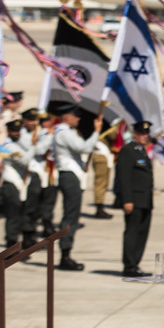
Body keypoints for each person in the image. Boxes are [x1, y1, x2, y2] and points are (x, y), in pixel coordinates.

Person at [51, 104, 103, 271]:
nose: (78, 119)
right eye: (75, 116)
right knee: (70, 216)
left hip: (71, 175)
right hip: (69, 176)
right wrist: (96, 131)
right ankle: (65, 254)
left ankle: (66, 252)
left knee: (72, 215)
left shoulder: (65, 131)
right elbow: (84, 148)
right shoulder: (65, 132)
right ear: (67, 117)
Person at [117, 121, 154, 278]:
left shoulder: (141, 151)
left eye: (147, 134)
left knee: (142, 233)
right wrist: (127, 200)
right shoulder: (127, 151)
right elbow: (124, 177)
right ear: (134, 134)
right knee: (132, 232)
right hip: (134, 200)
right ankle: (129, 265)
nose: (145, 137)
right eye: (142, 134)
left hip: (145, 200)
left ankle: (136, 264)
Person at [0, 119, 38, 252]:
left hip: (21, 184)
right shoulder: (9, 146)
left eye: (18, 131)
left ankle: (20, 243)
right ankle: (11, 246)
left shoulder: (18, 143)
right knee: (13, 216)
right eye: (14, 131)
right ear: (8, 131)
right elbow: (25, 160)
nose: (17, 133)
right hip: (11, 184)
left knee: (22, 214)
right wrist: (33, 146)